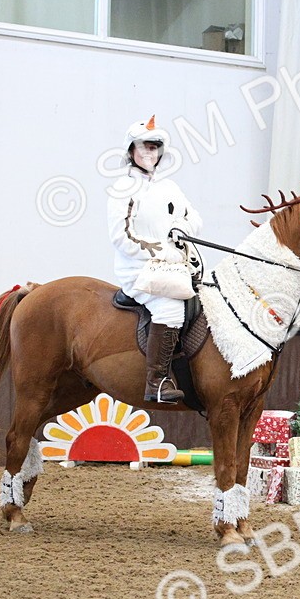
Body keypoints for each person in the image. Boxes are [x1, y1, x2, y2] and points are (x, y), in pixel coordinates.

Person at [106, 115, 203, 404]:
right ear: (131, 151)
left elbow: (194, 218)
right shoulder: (122, 189)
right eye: (143, 147)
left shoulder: (170, 187)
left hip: (175, 267)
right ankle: (157, 382)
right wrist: (161, 250)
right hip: (140, 269)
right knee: (170, 309)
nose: (149, 153)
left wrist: (182, 228)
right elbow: (121, 236)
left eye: (154, 148)